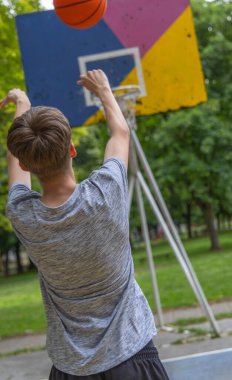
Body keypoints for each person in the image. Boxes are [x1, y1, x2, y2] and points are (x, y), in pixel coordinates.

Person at [1, 70, 170, 380]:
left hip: (71, 370)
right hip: (131, 357)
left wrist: (21, 105)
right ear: (72, 149)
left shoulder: (23, 215)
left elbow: (16, 168)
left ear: (26, 163)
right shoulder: (106, 192)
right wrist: (104, 91)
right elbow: (120, 133)